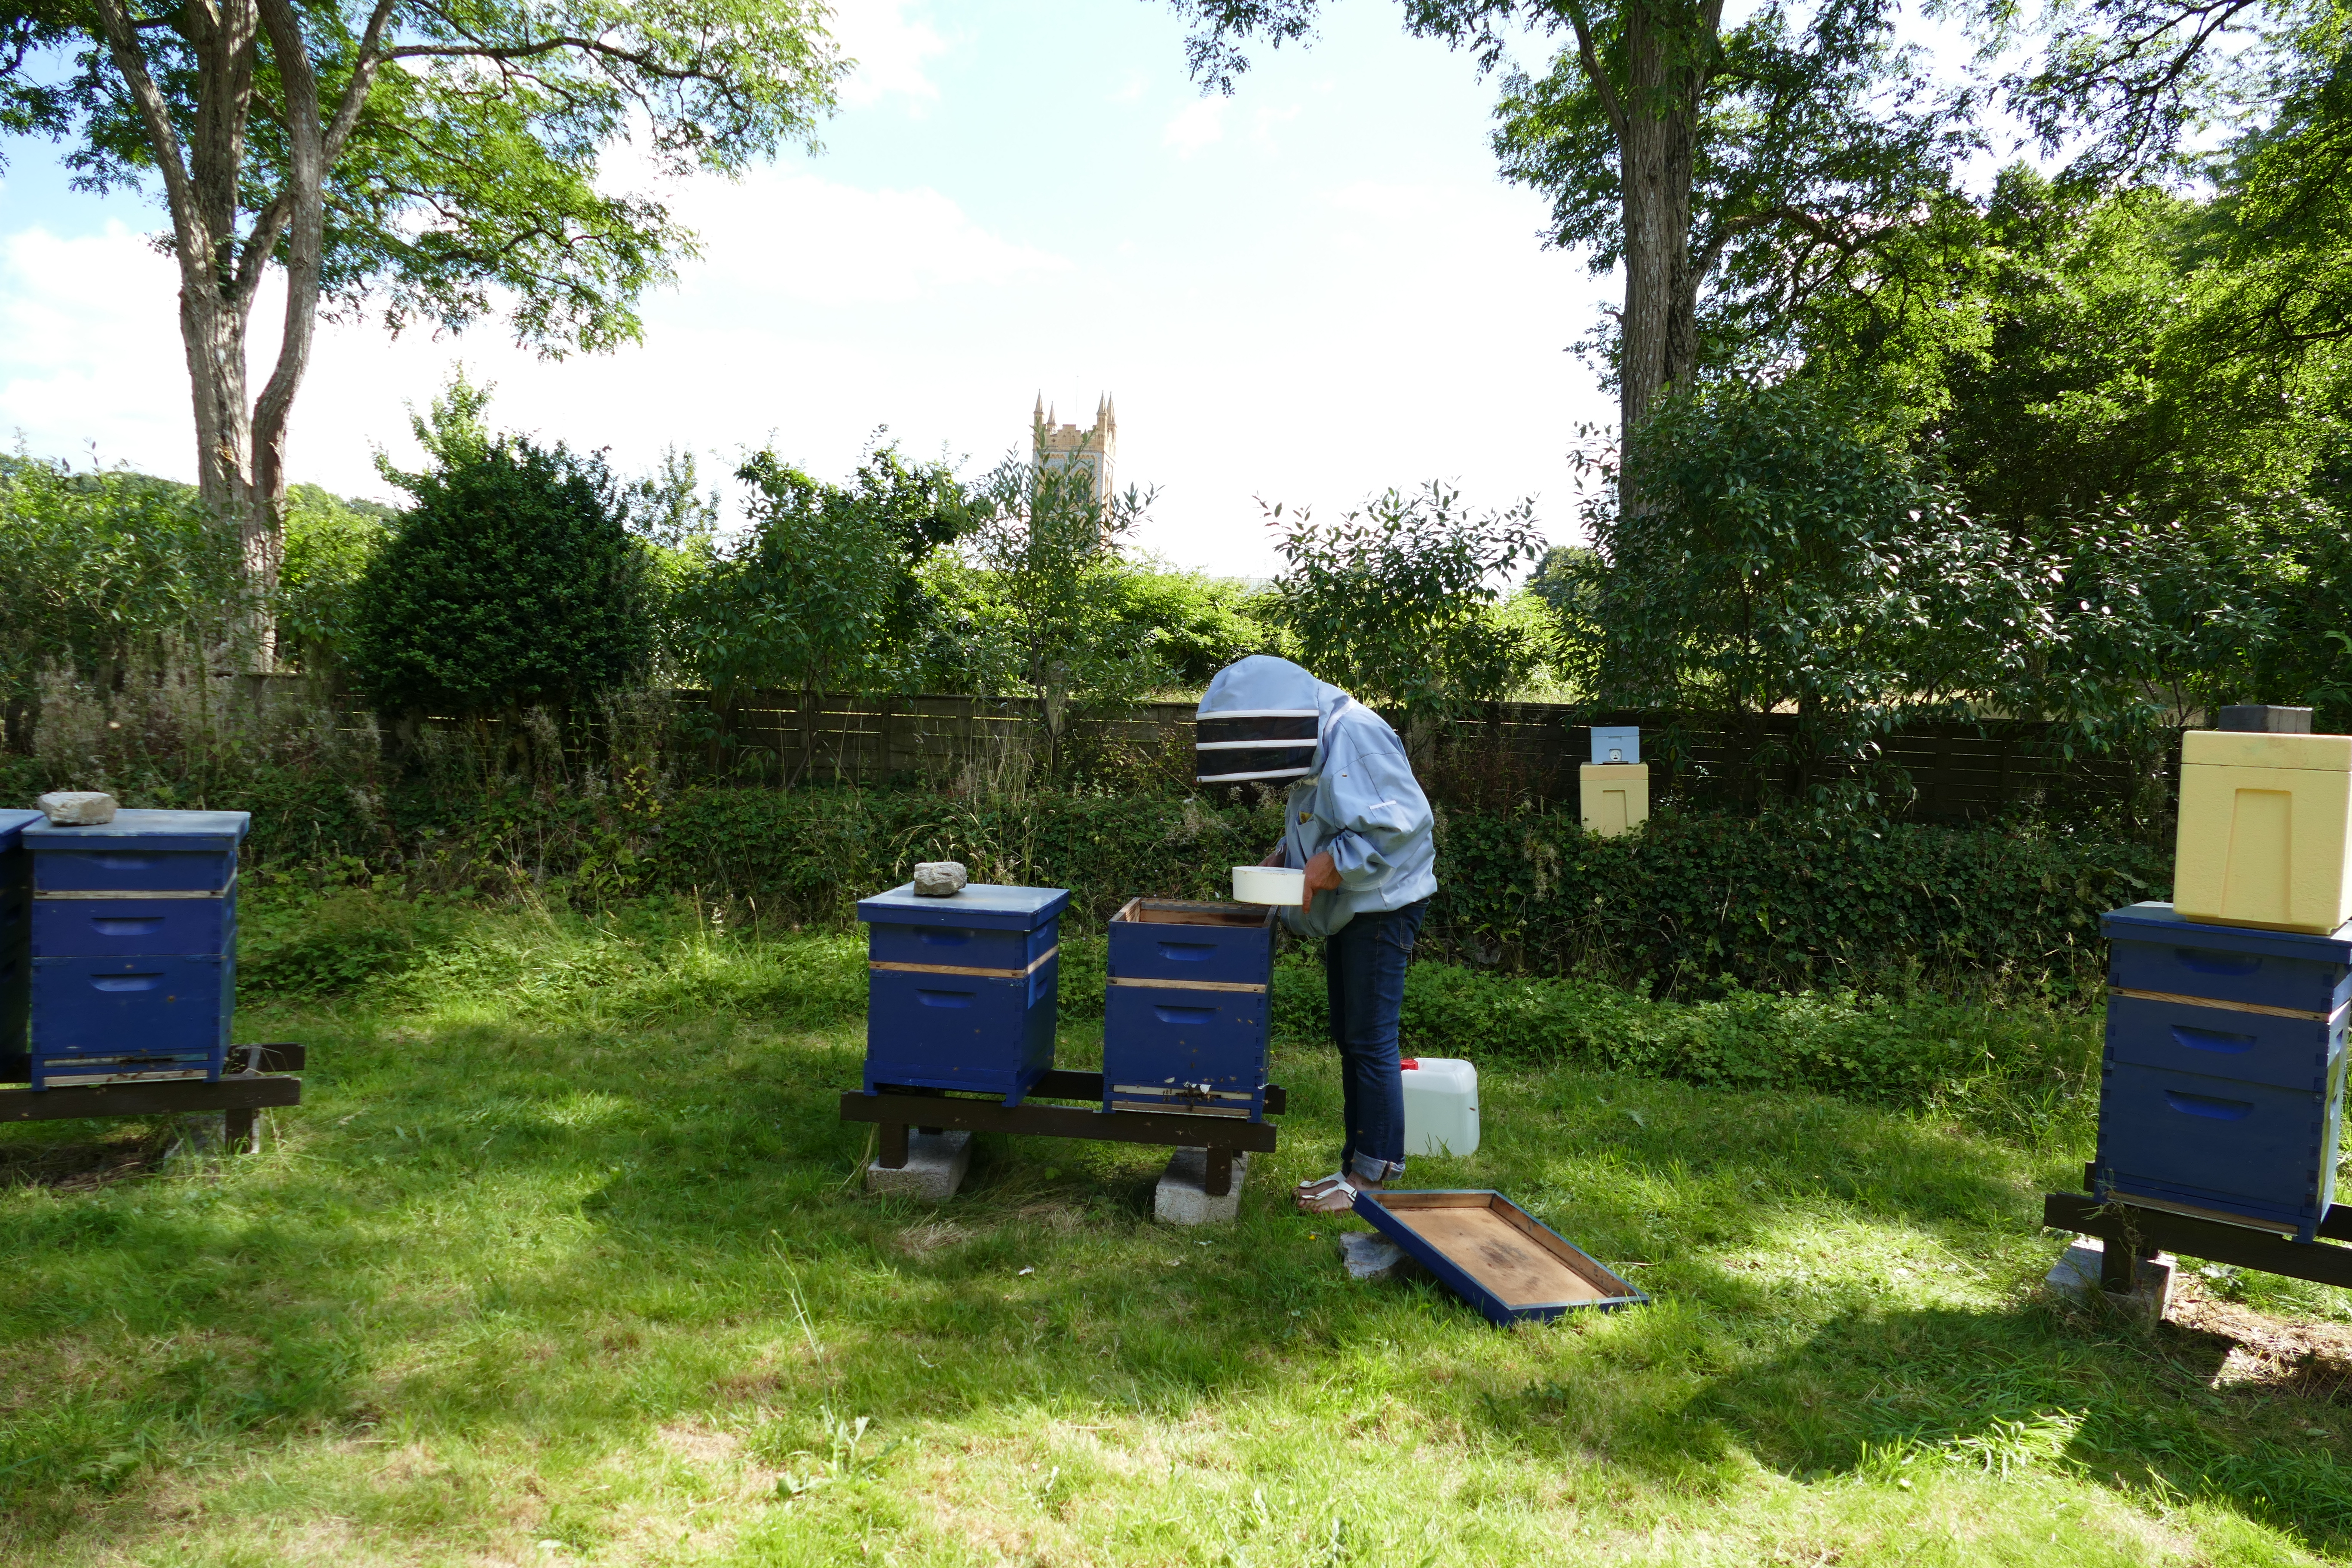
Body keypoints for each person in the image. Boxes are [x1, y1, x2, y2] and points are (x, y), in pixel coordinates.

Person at [1194, 655, 1436, 1214]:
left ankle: (1372, 1178)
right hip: (1360, 904)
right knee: (1353, 1037)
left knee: (1371, 1039)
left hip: (1384, 905)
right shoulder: (1322, 739)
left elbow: (1403, 823)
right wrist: (1287, 857)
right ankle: (1358, 1165)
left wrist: (1325, 867)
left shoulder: (1355, 734)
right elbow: (1334, 818)